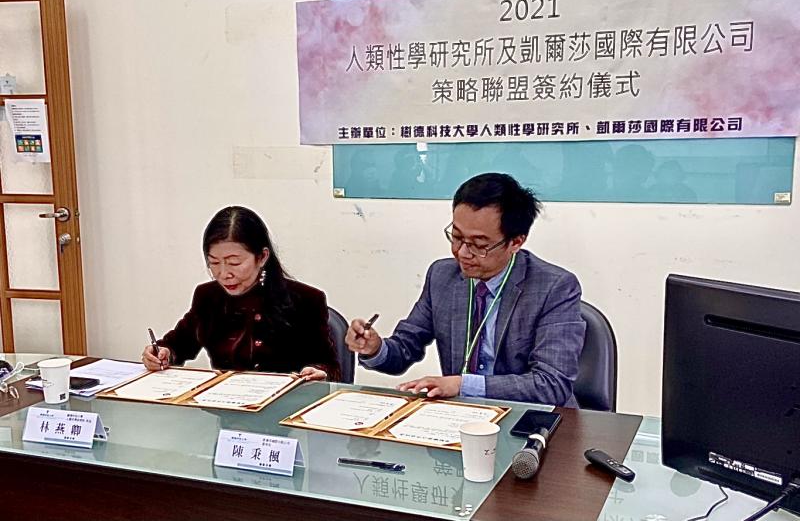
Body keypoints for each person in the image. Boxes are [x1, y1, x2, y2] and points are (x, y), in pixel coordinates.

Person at [345, 173, 585, 406]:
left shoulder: (554, 287)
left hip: (529, 420)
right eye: (457, 238)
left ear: (516, 242)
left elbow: (551, 385)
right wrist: (375, 349)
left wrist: (463, 385)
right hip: (462, 417)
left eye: (479, 245)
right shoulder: (442, 276)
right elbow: (405, 347)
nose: (462, 253)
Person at [142, 206, 341, 381]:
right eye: (214, 263)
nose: (223, 274)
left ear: (262, 257)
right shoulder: (207, 297)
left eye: (234, 263)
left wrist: (319, 372)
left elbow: (331, 367)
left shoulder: (305, 300)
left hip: (287, 407)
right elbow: (177, 345)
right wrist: (161, 354)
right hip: (226, 405)